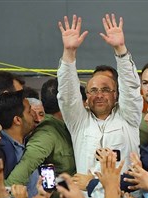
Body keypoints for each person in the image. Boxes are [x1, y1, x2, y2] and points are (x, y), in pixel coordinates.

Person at [56, 14, 143, 176]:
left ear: (116, 94)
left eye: (105, 90)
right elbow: (67, 94)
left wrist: (120, 50)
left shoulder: (129, 118)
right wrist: (69, 53)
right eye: (93, 91)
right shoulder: (78, 122)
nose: (99, 95)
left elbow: (131, 88)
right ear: (87, 96)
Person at [5, 78, 76, 189]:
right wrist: (3, 195)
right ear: (67, 101)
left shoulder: (67, 126)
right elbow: (24, 169)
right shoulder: (46, 135)